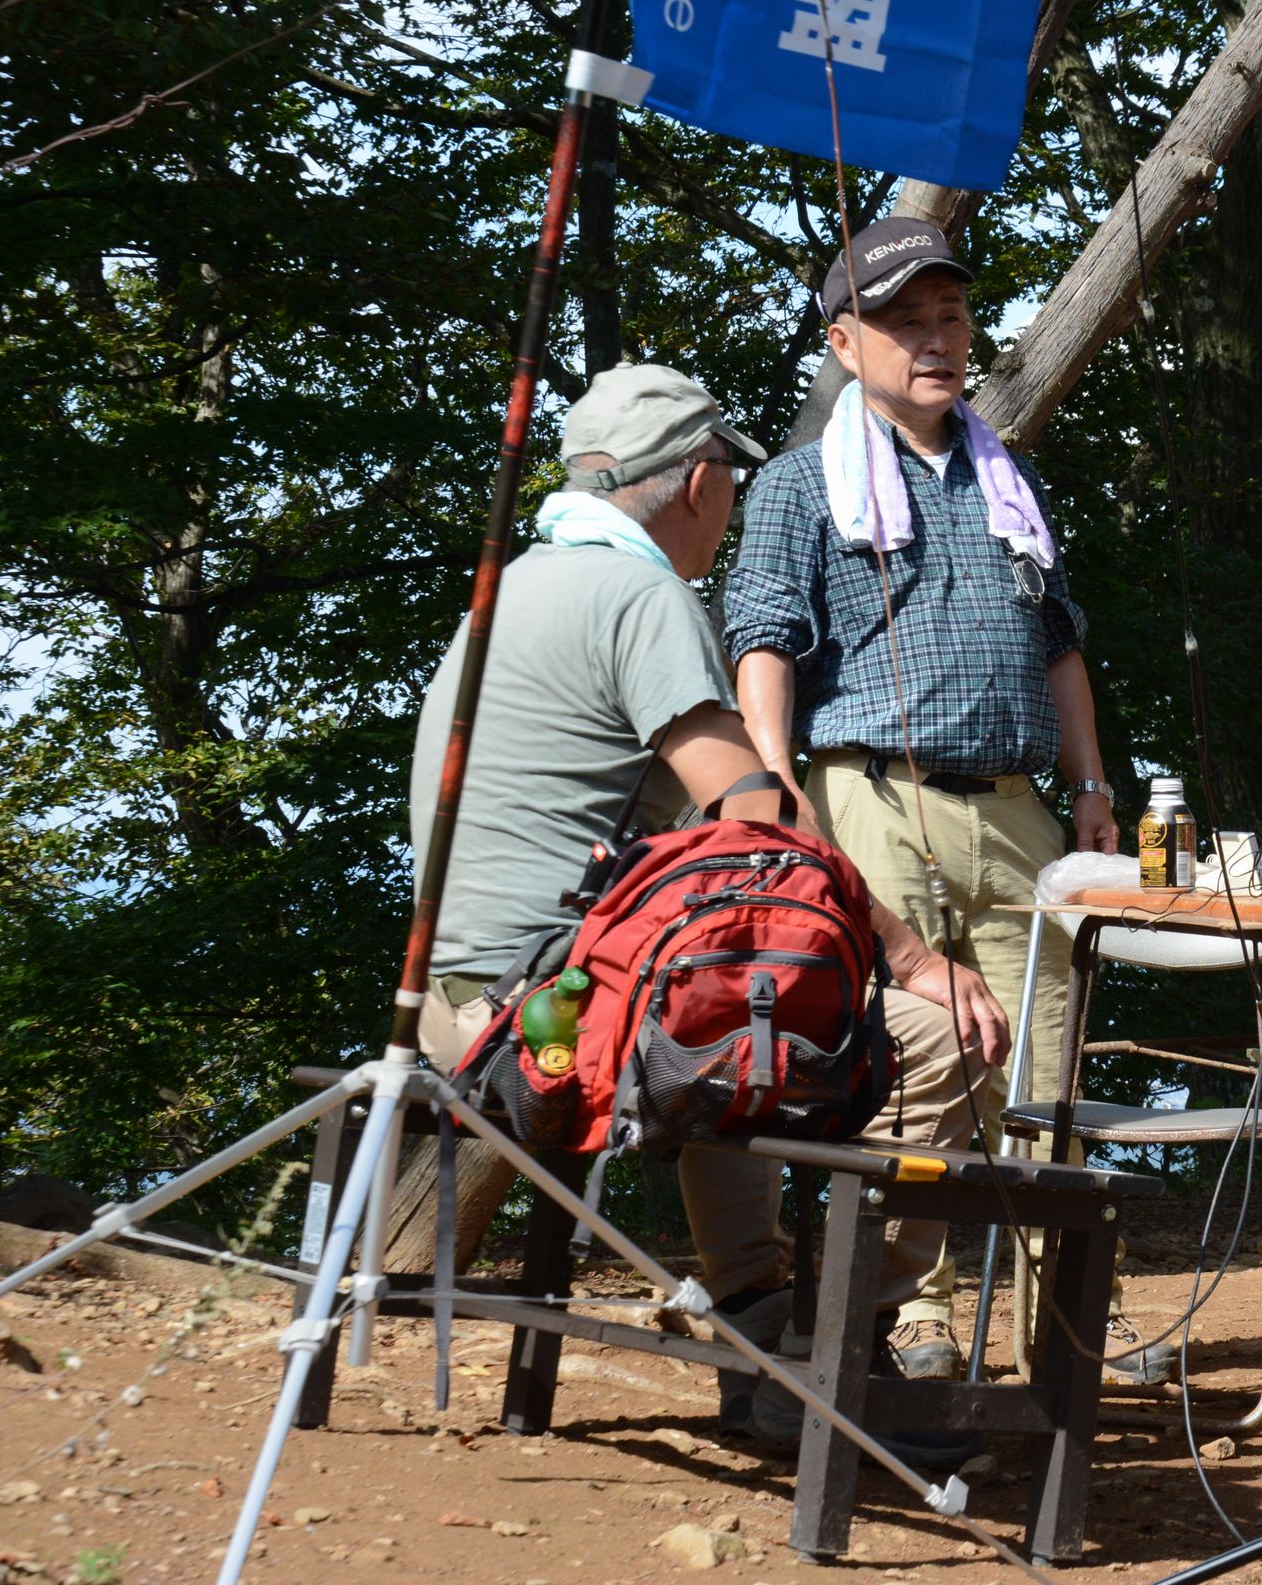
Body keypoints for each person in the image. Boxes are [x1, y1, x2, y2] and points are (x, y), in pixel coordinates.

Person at [407, 363, 1011, 1448]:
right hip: (553, 1022)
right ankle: (827, 1360)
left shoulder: (511, 587)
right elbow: (759, 818)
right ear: (697, 480)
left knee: (736, 1007)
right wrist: (915, 961)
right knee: (944, 1039)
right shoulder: (644, 598)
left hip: (464, 1000)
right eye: (729, 472)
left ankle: (759, 1326)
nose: (731, 496)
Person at [722, 217, 1173, 1386]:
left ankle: (1069, 1315)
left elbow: (1061, 644)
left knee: (1044, 1061)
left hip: (1021, 803)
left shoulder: (1007, 476)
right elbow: (763, 640)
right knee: (911, 1059)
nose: (934, 340)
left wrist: (1090, 785)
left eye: (950, 316)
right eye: (903, 320)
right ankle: (902, 1313)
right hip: (867, 793)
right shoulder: (793, 482)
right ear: (843, 339)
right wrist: (775, 790)